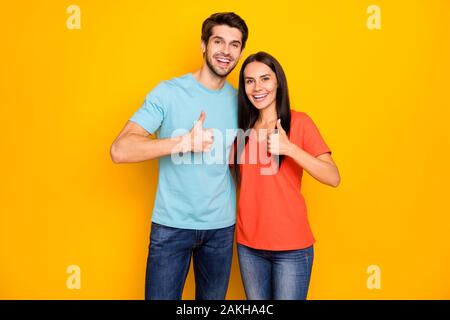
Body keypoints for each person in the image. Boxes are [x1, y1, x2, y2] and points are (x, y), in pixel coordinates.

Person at [110, 12, 249, 300]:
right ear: (203, 45)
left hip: (220, 230)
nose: (226, 51)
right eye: (218, 41)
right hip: (171, 227)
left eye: (234, 44)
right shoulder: (168, 93)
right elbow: (120, 150)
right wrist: (183, 142)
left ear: (241, 51)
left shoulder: (241, 102)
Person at [233, 51, 340, 300]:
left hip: (291, 248)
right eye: (249, 81)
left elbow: (333, 176)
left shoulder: (299, 122)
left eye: (265, 79)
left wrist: (290, 148)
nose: (257, 87)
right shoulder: (242, 131)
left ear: (278, 82)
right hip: (249, 246)